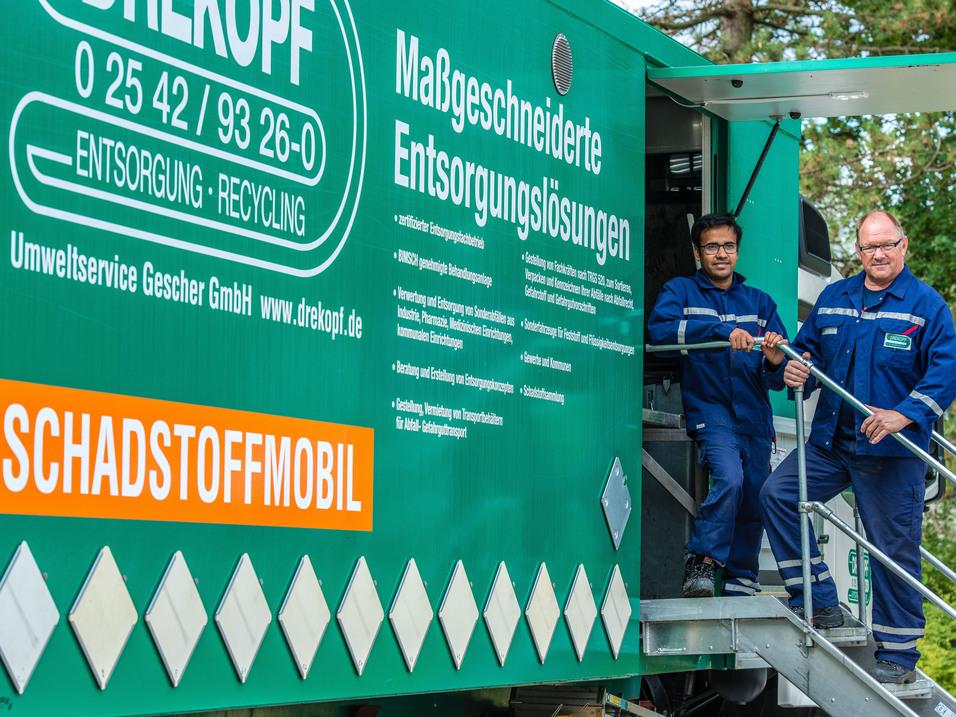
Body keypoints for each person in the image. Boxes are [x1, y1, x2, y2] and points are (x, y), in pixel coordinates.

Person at [760, 210, 956, 684]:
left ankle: (899, 655)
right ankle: (820, 600)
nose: (879, 254)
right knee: (777, 495)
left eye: (887, 245)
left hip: (891, 453)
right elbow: (806, 351)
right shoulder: (835, 297)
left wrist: (902, 415)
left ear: (903, 246)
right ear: (859, 252)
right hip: (832, 442)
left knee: (892, 551)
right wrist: (791, 367)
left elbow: (945, 373)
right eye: (869, 247)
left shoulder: (926, 307)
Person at [648, 213, 788, 599]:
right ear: (697, 253)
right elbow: (660, 332)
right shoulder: (680, 292)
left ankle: (742, 577)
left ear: (737, 252)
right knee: (730, 479)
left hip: (755, 412)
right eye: (711, 247)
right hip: (711, 408)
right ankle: (702, 563)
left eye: (728, 246)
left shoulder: (761, 303)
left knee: (757, 490)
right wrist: (721, 332)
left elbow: (780, 372)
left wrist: (776, 358)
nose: (721, 254)